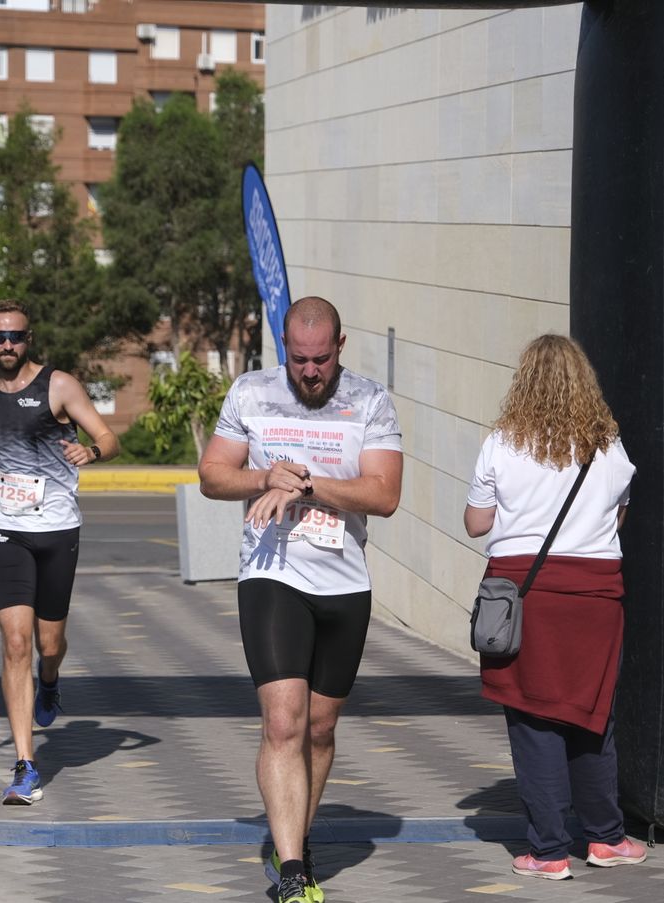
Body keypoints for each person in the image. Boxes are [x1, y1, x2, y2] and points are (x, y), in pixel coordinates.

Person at [199, 296, 402, 903]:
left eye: (320, 360)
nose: (309, 372)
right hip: (272, 574)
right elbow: (213, 475)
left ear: (340, 346)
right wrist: (265, 477)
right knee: (284, 722)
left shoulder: (370, 401)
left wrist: (308, 485)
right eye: (298, 359)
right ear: (283, 347)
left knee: (319, 727)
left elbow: (384, 494)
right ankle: (292, 870)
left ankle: (296, 837)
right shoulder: (251, 393)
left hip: (344, 581)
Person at [463, 333, 647, 880]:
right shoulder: (608, 446)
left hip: (525, 596)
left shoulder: (502, 443)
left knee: (533, 718)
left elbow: (476, 523)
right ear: (584, 382)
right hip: (595, 598)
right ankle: (606, 838)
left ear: (523, 382)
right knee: (592, 716)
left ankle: (547, 852)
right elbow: (617, 518)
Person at [0, 300, 117, 805]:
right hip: (6, 529)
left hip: (57, 528)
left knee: (48, 644)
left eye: (15, 336)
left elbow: (108, 436)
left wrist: (92, 451)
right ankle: (25, 766)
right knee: (15, 643)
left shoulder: (60, 385)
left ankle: (49, 680)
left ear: (29, 339)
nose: (7, 344)